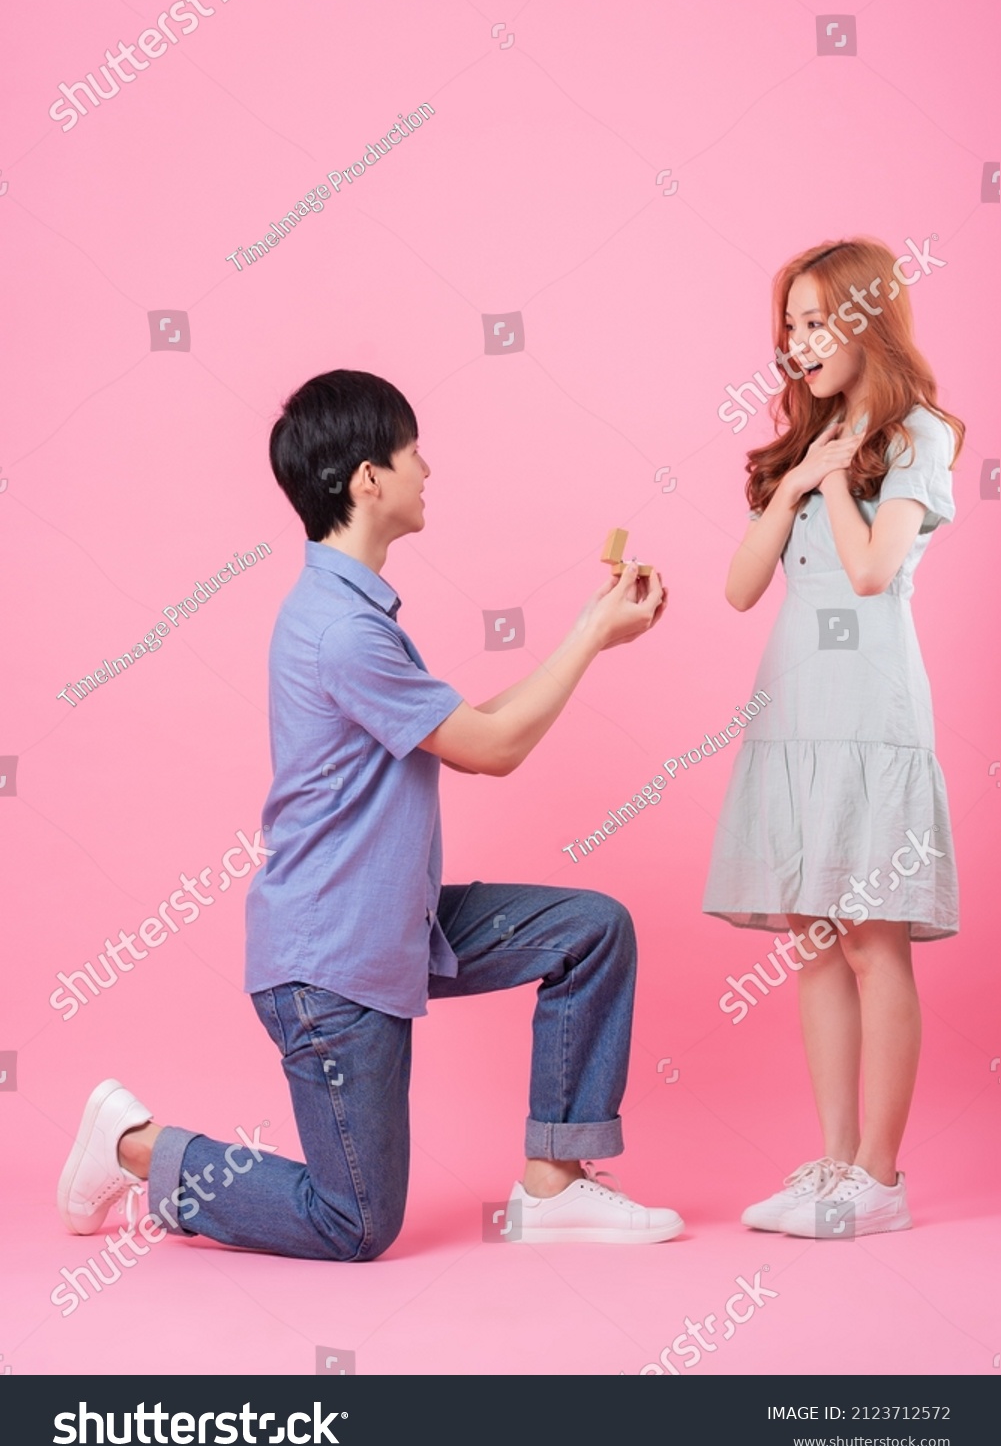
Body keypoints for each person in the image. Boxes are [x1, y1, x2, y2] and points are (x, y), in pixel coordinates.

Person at [58, 369, 684, 1259]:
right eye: (412, 451)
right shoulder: (343, 631)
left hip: (398, 925)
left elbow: (477, 725)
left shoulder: (352, 615)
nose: (428, 468)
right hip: (333, 964)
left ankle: (554, 1185)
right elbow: (496, 751)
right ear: (368, 479)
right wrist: (591, 639)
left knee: (588, 931)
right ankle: (134, 1149)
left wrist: (586, 625)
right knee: (353, 1222)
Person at [703, 238, 964, 1237]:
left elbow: (866, 574)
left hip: (869, 710)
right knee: (812, 942)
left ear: (865, 322)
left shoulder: (917, 436)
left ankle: (879, 1176)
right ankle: (831, 1164)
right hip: (793, 705)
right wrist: (795, 476)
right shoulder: (805, 448)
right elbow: (734, 590)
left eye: (817, 321)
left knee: (869, 938)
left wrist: (830, 480)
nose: (797, 341)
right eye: (790, 324)